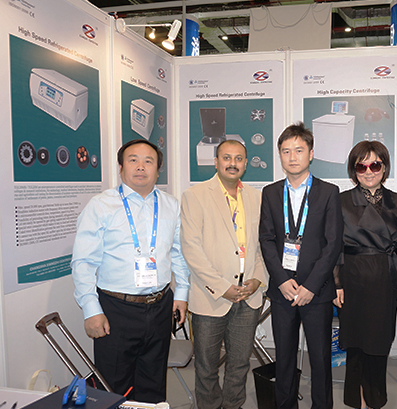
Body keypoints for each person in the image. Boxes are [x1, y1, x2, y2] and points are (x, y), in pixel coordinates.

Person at [71, 139, 190, 403]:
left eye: (149, 161)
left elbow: (178, 252)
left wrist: (181, 293)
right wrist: (91, 309)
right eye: (133, 160)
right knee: (114, 385)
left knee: (153, 382)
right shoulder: (101, 205)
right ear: (121, 167)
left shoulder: (170, 205)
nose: (140, 167)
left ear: (158, 169)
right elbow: (83, 262)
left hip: (160, 305)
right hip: (116, 309)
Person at [260, 122, 343, 409]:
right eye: (286, 151)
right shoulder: (271, 193)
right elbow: (266, 239)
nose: (292, 157)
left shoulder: (329, 192)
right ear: (280, 156)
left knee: (320, 358)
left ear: (311, 154)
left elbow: (333, 244)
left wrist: (311, 286)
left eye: (298, 150)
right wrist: (282, 280)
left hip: (316, 292)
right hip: (282, 290)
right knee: (284, 357)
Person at [180, 140, 268, 409]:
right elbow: (191, 249)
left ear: (246, 163)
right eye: (226, 157)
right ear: (216, 161)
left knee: (239, 363)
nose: (233, 163)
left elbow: (262, 246)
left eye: (238, 158)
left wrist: (258, 280)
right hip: (211, 297)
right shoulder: (195, 196)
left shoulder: (256, 197)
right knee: (206, 365)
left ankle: (233, 405)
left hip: (248, 296)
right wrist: (221, 287)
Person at [332, 141, 397, 409]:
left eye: (375, 165)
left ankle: (375, 398)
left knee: (380, 342)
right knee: (356, 343)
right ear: (353, 170)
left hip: (385, 279)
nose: (368, 171)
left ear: (384, 167)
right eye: (361, 166)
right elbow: (333, 247)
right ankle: (356, 399)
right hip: (353, 279)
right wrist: (336, 284)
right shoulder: (342, 201)